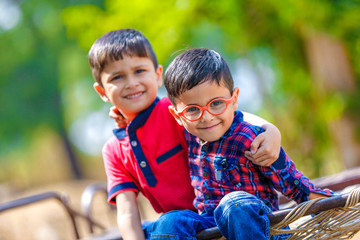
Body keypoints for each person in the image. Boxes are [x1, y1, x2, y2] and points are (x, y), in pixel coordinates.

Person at [89, 29, 282, 240]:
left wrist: (269, 129)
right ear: (102, 92)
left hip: (228, 210)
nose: (131, 83)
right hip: (184, 226)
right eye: (117, 77)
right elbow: (127, 211)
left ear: (157, 75)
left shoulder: (172, 111)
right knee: (159, 227)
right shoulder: (114, 150)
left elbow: (229, 116)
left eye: (139, 71)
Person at [158, 47, 334, 239]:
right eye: (193, 110)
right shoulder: (190, 135)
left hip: (260, 225)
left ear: (234, 100)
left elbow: (290, 181)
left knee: (233, 204)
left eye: (216, 103)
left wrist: (327, 202)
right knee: (169, 222)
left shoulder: (249, 138)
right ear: (177, 115)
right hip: (212, 224)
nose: (207, 117)